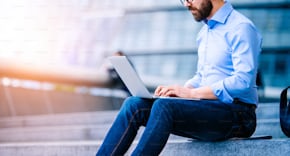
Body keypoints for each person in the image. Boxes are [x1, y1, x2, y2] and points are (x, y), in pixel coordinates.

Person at [97, 0, 262, 155]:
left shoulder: (241, 27)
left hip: (239, 116)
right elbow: (202, 77)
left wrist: (191, 94)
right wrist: (180, 90)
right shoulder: (204, 32)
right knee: (134, 104)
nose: (187, 4)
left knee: (164, 107)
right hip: (208, 110)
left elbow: (243, 81)